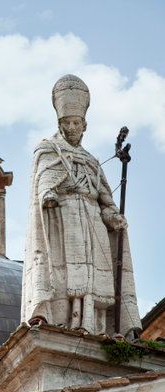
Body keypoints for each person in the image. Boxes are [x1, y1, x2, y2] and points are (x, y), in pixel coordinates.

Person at [21, 75, 141, 336]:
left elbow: (105, 201)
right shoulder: (47, 150)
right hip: (63, 224)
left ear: (85, 125)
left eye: (77, 123)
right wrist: (48, 195)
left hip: (91, 224)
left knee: (93, 283)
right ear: (60, 124)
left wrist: (113, 218)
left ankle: (95, 327)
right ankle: (65, 322)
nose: (73, 127)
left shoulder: (92, 162)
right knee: (66, 280)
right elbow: (42, 184)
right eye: (68, 123)